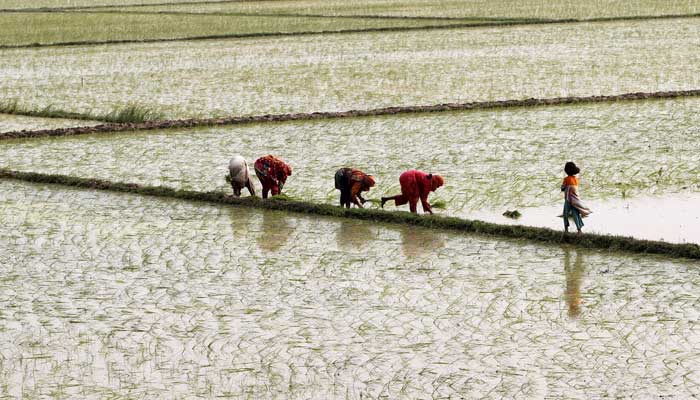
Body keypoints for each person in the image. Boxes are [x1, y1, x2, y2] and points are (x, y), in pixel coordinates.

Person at [561, 161, 592, 233]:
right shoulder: (576, 179)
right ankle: (579, 230)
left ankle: (566, 230)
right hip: (575, 200)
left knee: (565, 214)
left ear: (567, 170)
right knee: (575, 214)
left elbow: (562, 188)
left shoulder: (566, 179)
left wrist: (563, 187)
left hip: (568, 200)